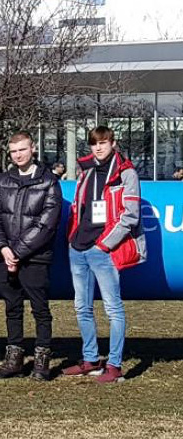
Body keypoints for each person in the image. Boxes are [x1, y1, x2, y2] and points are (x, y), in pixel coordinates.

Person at [62, 126, 145, 384]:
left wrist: (105, 245)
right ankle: (91, 359)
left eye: (103, 143)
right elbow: (79, 208)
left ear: (113, 143)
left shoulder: (126, 172)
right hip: (79, 248)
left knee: (113, 308)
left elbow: (130, 215)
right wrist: (73, 239)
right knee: (82, 307)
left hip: (103, 250)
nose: (98, 148)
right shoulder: (85, 172)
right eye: (94, 144)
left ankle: (114, 365)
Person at [0, 131, 62, 381]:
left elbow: (46, 224)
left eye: (22, 150)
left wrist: (18, 252)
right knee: (12, 308)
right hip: (5, 257)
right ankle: (14, 358)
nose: (18, 155)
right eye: (14, 151)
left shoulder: (49, 182)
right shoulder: (3, 180)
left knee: (40, 309)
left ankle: (42, 360)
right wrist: (3, 248)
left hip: (35, 258)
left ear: (33, 149)